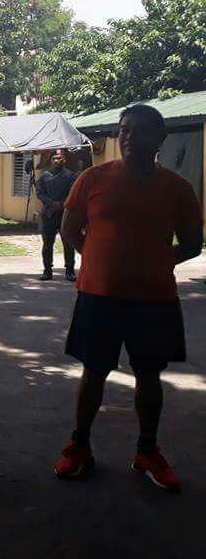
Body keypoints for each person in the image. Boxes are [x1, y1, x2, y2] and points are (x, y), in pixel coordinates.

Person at [54, 105, 202, 491]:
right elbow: (70, 230)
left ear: (160, 138)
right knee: (93, 372)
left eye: (141, 130)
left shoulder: (177, 188)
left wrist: (155, 262)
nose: (130, 137)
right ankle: (79, 447)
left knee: (149, 376)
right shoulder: (92, 179)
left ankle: (147, 451)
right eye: (124, 130)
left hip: (153, 299)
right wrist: (98, 260)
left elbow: (192, 243)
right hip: (99, 296)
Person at [36, 150, 78, 282]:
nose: (56, 161)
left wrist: (62, 203)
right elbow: (40, 193)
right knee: (47, 244)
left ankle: (70, 271)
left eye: (59, 158)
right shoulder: (45, 176)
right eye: (53, 158)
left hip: (65, 214)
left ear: (64, 160)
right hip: (49, 214)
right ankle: (47, 271)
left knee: (68, 243)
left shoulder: (71, 176)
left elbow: (74, 193)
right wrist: (51, 203)